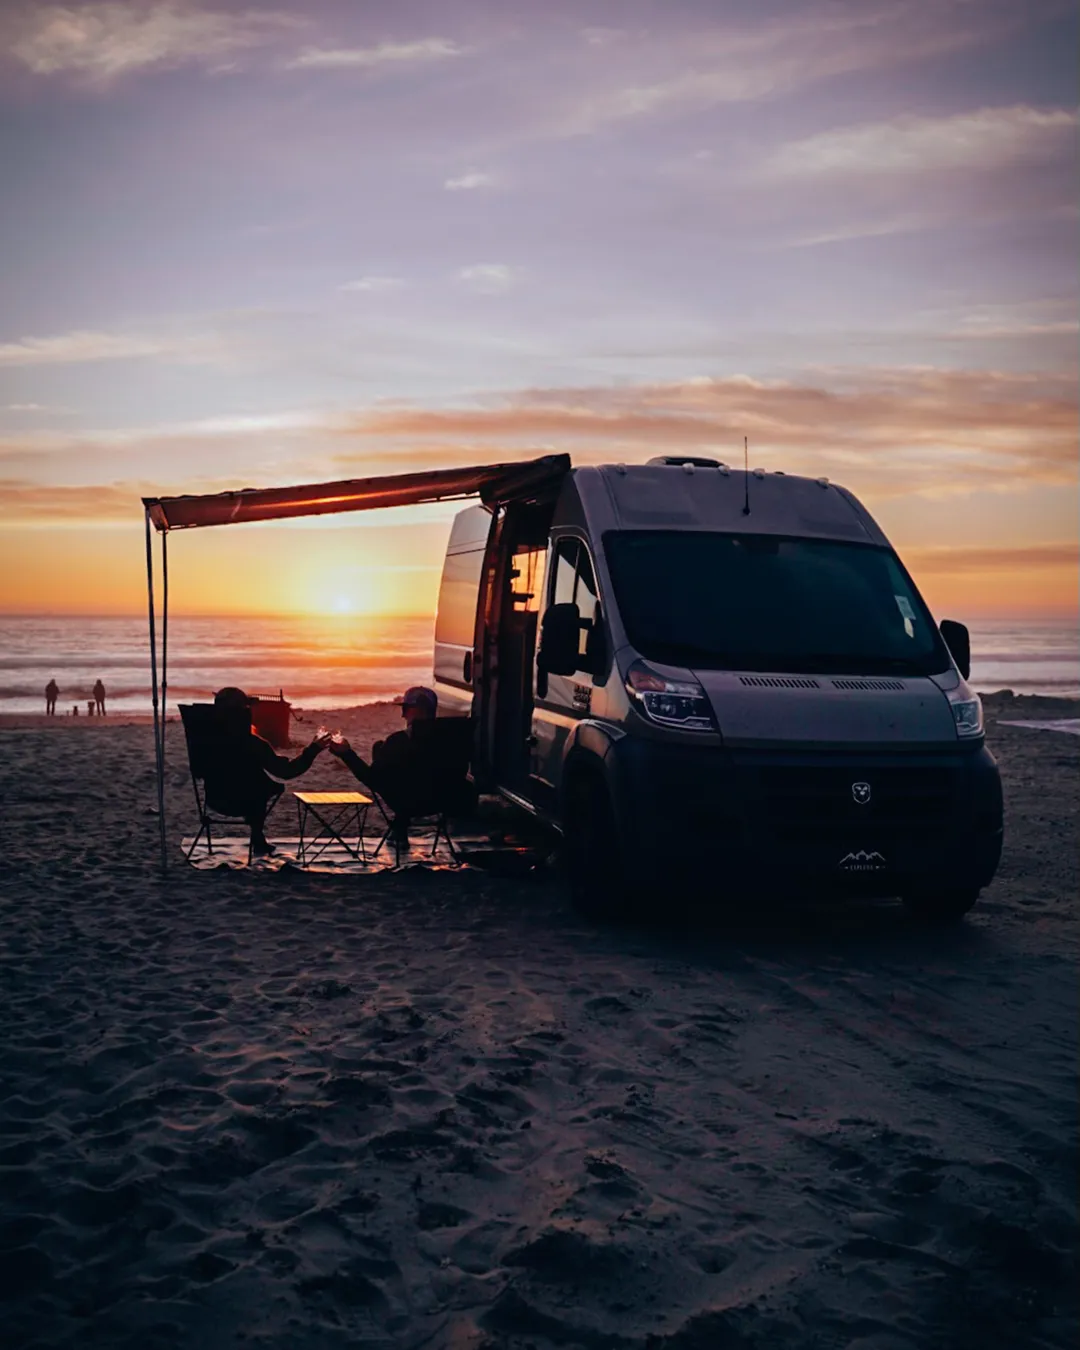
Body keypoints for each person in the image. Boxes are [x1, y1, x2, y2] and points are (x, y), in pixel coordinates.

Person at [208, 687, 329, 856]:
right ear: (244, 713)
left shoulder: (205, 742)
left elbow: (198, 771)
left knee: (255, 783)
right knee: (259, 787)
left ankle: (258, 837)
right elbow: (286, 771)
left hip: (215, 799)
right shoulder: (253, 744)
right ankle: (257, 836)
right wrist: (313, 749)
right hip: (245, 803)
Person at [329, 686, 440, 845]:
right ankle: (399, 827)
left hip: (409, 803)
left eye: (406, 709)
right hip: (445, 800)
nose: (403, 715)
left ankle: (399, 829)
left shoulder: (398, 741)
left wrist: (347, 754)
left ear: (415, 711)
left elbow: (372, 780)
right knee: (409, 775)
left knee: (393, 773)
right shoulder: (451, 739)